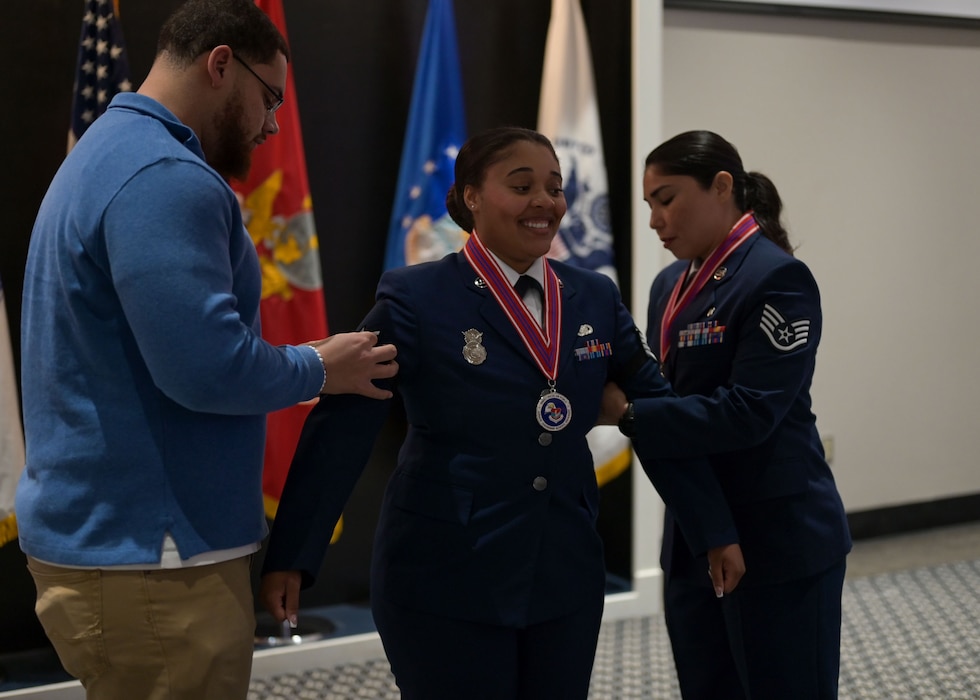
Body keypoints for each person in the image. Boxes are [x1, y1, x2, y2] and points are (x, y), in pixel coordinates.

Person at [259, 126, 745, 700]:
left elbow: (656, 409)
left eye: (555, 187)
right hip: (446, 572)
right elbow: (343, 425)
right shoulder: (416, 297)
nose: (545, 202)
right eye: (522, 186)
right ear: (471, 196)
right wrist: (292, 552)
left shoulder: (593, 295)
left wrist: (712, 527)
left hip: (564, 571)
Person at [15, 1, 397, 699]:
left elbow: (176, 345)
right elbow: (205, 369)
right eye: (269, 97)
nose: (273, 123)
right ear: (221, 64)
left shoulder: (109, 150)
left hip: (119, 546)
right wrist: (318, 366)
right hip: (156, 559)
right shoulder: (164, 176)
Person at [605, 130, 852, 699]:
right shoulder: (669, 283)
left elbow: (750, 412)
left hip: (775, 536)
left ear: (722, 186)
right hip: (695, 531)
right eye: (648, 205)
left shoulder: (776, 277)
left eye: (667, 199)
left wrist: (630, 415)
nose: (655, 220)